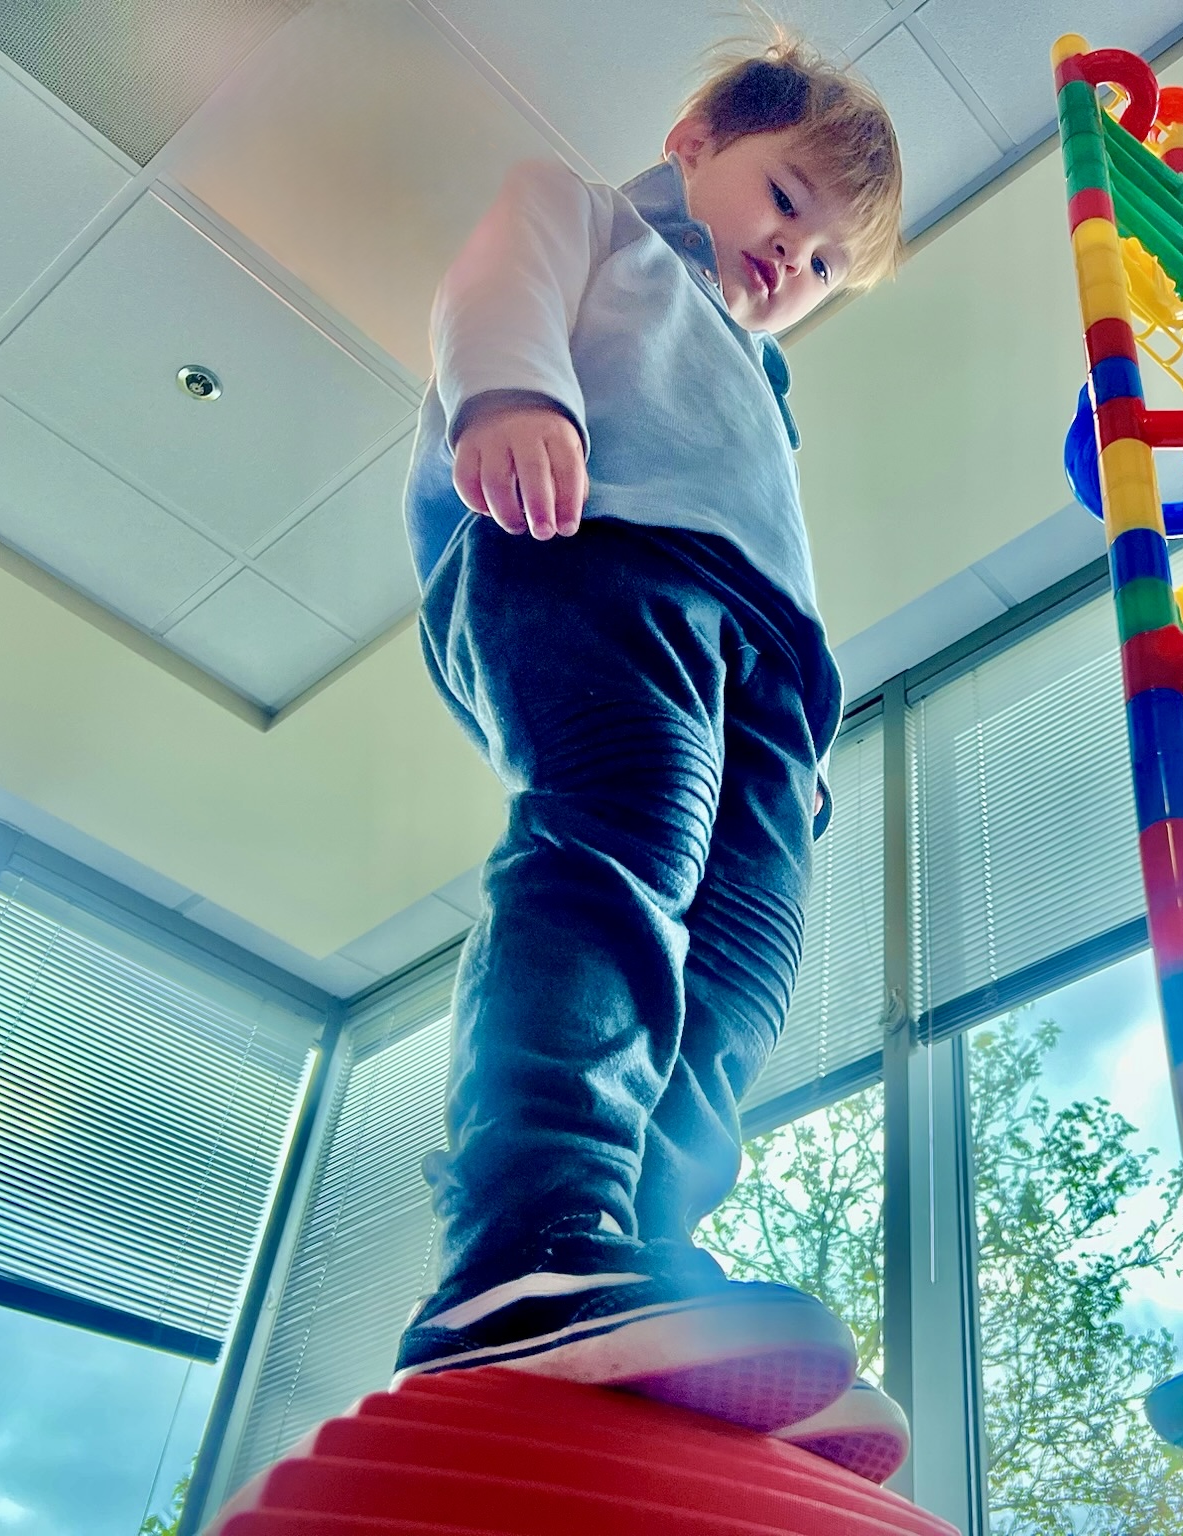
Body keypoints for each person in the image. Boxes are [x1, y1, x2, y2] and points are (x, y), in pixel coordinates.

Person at [392, 33, 909, 1481]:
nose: (791, 260)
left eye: (822, 269)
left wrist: (794, 739)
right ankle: (526, 1240)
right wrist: (512, 393)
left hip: (767, 672)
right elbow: (492, 288)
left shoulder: (760, 378)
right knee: (616, 854)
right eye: (787, 203)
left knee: (735, 981)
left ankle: (641, 1278)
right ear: (696, 139)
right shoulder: (595, 214)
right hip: (597, 553)